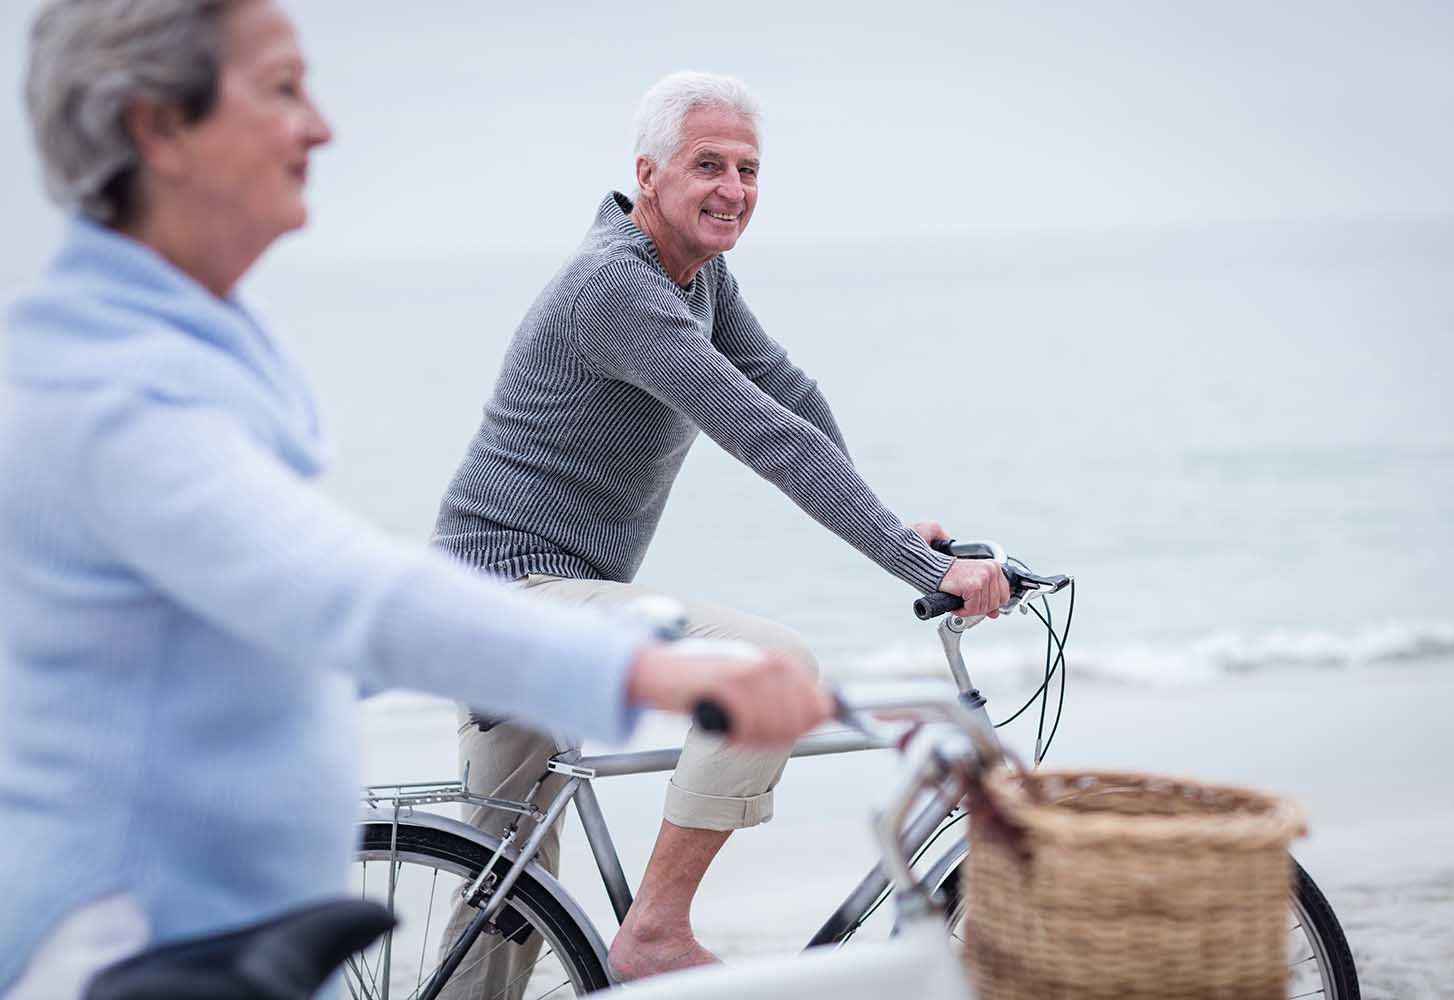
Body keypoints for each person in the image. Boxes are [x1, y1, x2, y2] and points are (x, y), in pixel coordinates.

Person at [0, 7, 832, 999]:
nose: (323, 126)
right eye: (281, 89)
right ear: (157, 128)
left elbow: (272, 644)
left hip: (224, 938)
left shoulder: (191, 348)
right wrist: (646, 663)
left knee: (500, 902)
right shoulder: (116, 389)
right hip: (128, 958)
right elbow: (346, 595)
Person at [431, 70, 1009, 989]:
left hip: (508, 599)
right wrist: (910, 562)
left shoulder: (695, 275)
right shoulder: (615, 287)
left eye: (748, 169)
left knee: (501, 913)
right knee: (766, 667)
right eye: (709, 165)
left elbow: (789, 396)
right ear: (647, 173)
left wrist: (898, 530)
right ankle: (655, 931)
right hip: (510, 595)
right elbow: (765, 437)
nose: (733, 190)